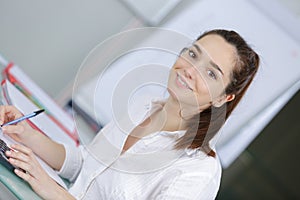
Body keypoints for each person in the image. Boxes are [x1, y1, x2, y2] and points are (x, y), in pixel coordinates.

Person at [0, 29, 259, 199]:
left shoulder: (198, 171)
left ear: (223, 98)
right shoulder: (143, 106)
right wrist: (28, 136)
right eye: (193, 53)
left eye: (211, 73)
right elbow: (85, 166)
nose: (191, 69)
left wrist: (51, 189)